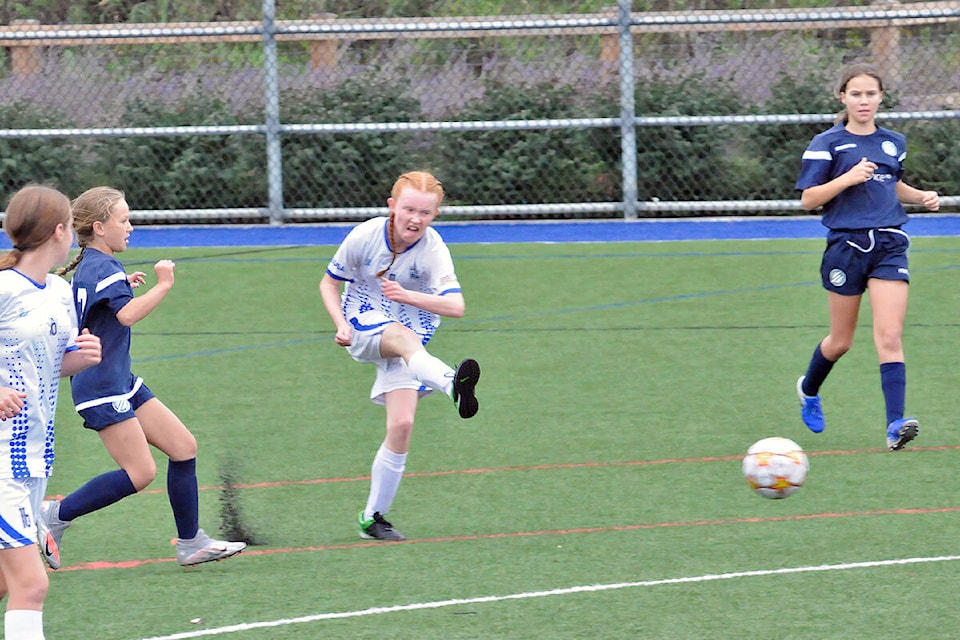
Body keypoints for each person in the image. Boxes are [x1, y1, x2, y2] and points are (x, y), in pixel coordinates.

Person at [38, 186, 246, 569]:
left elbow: (107, 306)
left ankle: (190, 543)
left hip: (117, 378)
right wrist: (164, 284)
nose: (130, 226)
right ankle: (56, 514)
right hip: (100, 386)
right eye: (124, 220)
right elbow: (127, 316)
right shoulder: (102, 268)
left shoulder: (96, 266)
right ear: (99, 227)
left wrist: (124, 287)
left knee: (183, 446)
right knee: (141, 472)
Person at [319, 171, 480, 541]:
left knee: (401, 425)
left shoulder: (434, 247)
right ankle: (450, 384)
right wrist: (340, 323)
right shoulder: (365, 235)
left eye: (425, 213)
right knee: (404, 340)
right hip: (364, 320)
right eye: (409, 209)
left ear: (435, 214)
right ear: (392, 207)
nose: (415, 219)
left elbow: (456, 306)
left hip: (411, 327)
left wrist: (410, 297)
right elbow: (329, 282)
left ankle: (372, 517)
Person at [794, 63, 940, 451]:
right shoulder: (827, 142)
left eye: (870, 94)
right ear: (843, 97)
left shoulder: (894, 141)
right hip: (846, 247)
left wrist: (920, 196)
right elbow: (809, 199)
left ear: (880, 98)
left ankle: (895, 425)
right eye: (855, 94)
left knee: (889, 335)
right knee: (841, 341)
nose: (864, 101)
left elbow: (892, 185)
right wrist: (847, 178)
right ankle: (809, 389)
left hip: (890, 243)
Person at [0, 185, 102, 640]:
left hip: (34, 457)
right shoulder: (3, 289)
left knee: (5, 581)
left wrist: (82, 357)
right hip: (1, 459)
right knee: (31, 584)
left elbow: (52, 364)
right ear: (60, 231)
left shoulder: (60, 291)